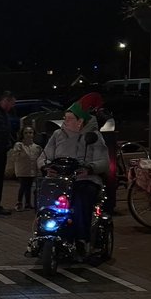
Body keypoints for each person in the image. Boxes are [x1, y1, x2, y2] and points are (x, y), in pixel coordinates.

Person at [37, 99, 108, 244]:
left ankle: (82, 238)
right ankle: (41, 232)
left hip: (84, 179)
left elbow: (104, 161)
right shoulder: (57, 134)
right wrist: (46, 167)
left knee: (81, 198)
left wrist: (89, 168)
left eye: (69, 119)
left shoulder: (93, 136)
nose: (65, 121)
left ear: (80, 121)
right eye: (65, 118)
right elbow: (44, 157)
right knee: (42, 193)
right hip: (60, 179)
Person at [11, 126, 42, 211]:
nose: (28, 135)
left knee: (29, 186)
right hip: (22, 169)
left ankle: (28, 203)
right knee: (23, 185)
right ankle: (19, 202)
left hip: (32, 170)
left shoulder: (37, 147)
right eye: (26, 133)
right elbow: (14, 157)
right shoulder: (19, 145)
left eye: (30, 133)